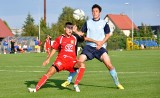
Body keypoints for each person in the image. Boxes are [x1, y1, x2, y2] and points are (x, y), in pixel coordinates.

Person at [62, 4, 124, 92]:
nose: (94, 13)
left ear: (100, 12)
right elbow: (82, 34)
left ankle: (118, 84)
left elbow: (108, 35)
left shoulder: (104, 23)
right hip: (89, 47)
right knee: (78, 62)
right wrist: (75, 31)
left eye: (96, 11)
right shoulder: (88, 23)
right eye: (93, 11)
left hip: (100, 48)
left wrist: (101, 43)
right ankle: (68, 81)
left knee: (109, 65)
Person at [28, 22, 84, 93]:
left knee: (82, 65)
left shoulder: (75, 38)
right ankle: (35, 89)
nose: (70, 30)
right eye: (68, 28)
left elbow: (83, 38)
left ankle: (75, 85)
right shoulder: (60, 38)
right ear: (64, 29)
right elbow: (54, 49)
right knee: (49, 72)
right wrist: (48, 59)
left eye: (71, 28)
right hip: (61, 61)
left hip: (71, 62)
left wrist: (76, 31)